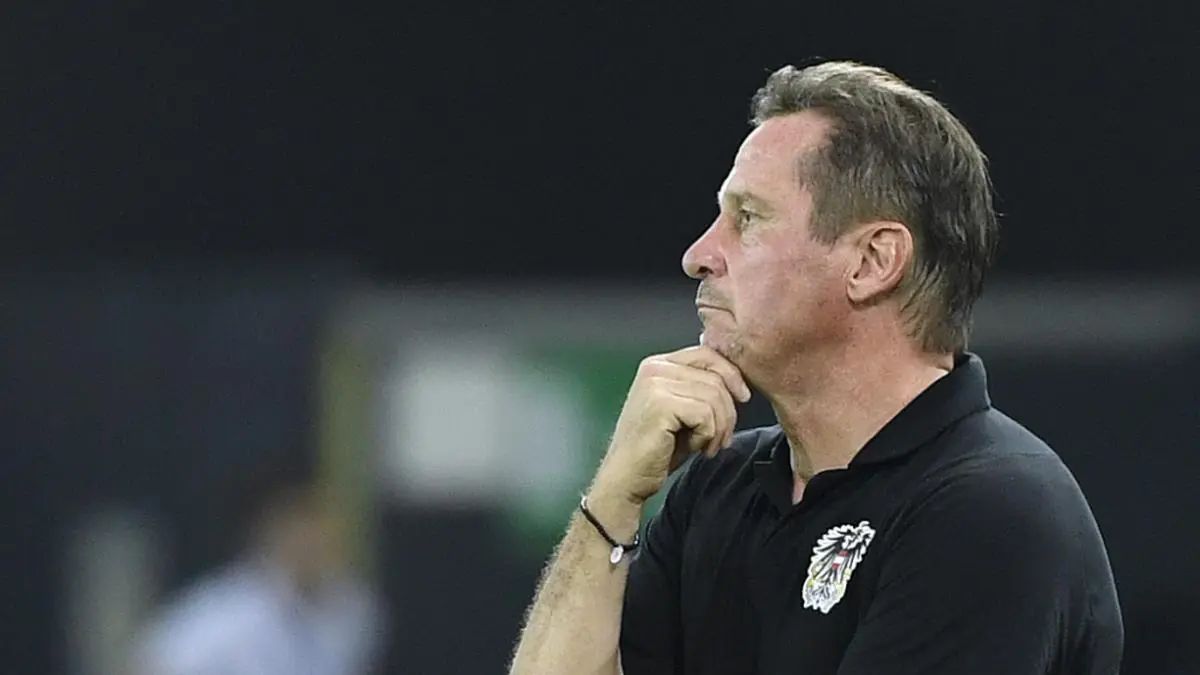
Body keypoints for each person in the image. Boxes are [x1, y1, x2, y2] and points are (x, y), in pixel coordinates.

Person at [507, 61, 1123, 675]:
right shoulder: (716, 491)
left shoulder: (990, 512)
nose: (699, 255)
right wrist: (613, 498)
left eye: (747, 219)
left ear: (872, 262)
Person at [132, 462, 384, 675]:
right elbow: (155, 662)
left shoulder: (355, 608)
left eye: (322, 524)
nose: (314, 539)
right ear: (270, 531)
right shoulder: (228, 611)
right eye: (301, 526)